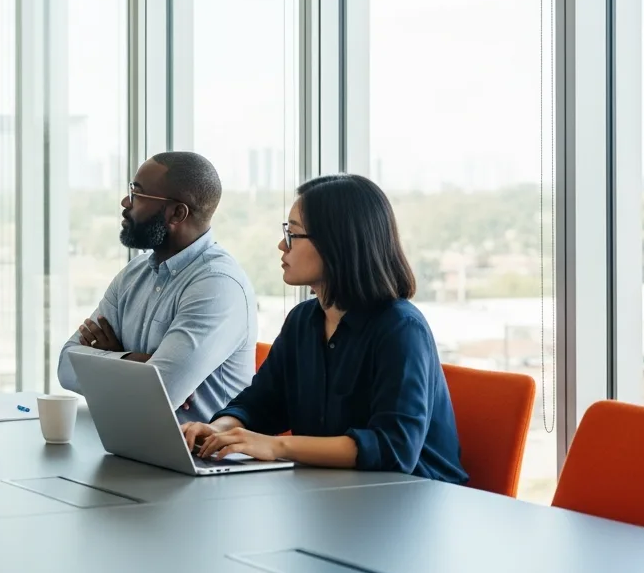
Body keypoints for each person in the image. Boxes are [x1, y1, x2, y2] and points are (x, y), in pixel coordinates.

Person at [183, 173, 468, 484]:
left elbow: (393, 449)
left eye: (293, 234)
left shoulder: (401, 329)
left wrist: (277, 445)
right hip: (336, 493)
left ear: (336, 244)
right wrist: (220, 428)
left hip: (414, 499)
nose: (282, 245)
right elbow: (262, 403)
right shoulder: (303, 320)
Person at [55, 152, 257, 424]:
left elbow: (161, 392)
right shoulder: (134, 273)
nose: (126, 203)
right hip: (133, 446)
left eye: (137, 194)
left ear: (177, 213)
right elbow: (67, 364)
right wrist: (133, 361)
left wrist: (110, 361)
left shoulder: (218, 285)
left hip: (200, 458)